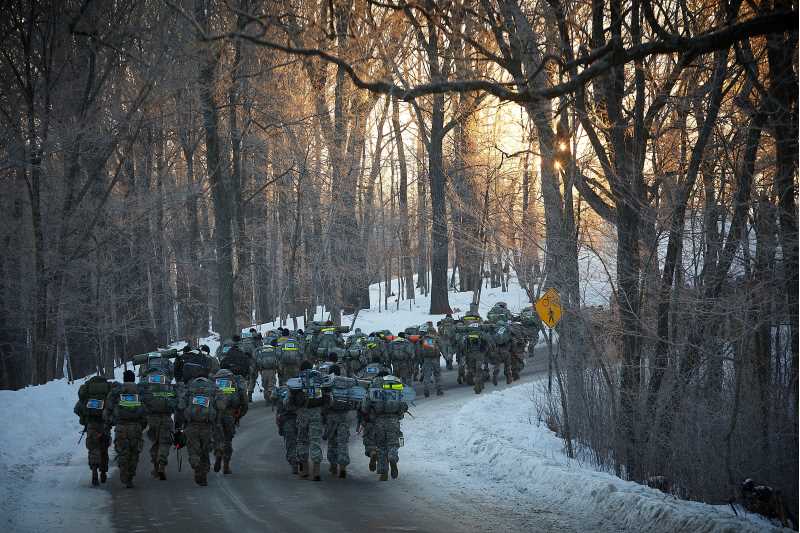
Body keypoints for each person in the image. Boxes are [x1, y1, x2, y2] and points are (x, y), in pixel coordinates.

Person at [360, 372, 408, 481]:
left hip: (379, 421)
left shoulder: (374, 389)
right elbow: (403, 405)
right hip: (394, 420)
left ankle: (384, 473)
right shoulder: (396, 388)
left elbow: (364, 407)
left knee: (381, 446)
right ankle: (392, 457)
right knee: (394, 443)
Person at [104, 369, 147, 488]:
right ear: (134, 379)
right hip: (136, 426)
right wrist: (143, 424)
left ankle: (123, 473)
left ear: (124, 379)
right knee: (134, 452)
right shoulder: (140, 391)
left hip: (121, 426)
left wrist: (110, 421)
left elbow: (109, 407)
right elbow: (146, 408)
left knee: (123, 451)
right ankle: (130, 476)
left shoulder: (117, 391)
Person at [176, 374, 219, 486]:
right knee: (205, 451)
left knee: (194, 450)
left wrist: (179, 424)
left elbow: (180, 406)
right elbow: (219, 406)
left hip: (191, 425)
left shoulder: (189, 389)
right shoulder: (213, 389)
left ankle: (197, 468)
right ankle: (203, 473)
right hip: (207, 426)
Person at [74, 374, 113, 486]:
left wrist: (85, 418)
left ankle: (94, 470)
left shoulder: (87, 394)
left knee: (93, 447)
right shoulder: (107, 390)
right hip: (104, 424)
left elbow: (77, 409)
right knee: (104, 448)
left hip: (91, 424)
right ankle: (103, 471)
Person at [140, 366, 177, 480]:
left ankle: (155, 467)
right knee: (165, 442)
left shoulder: (145, 381)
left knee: (155, 442)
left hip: (152, 418)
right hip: (166, 417)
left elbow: (140, 398)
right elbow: (174, 397)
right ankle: (162, 463)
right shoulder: (166, 380)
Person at [211, 367, 248, 474]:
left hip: (217, 413)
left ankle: (218, 453)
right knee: (228, 439)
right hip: (230, 414)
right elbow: (244, 401)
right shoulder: (235, 381)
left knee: (218, 437)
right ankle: (226, 466)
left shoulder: (215, 380)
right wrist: (240, 415)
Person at [295, 360, 326, 481]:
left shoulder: (297, 378)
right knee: (315, 441)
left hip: (302, 414)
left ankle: (304, 470)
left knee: (302, 441)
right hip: (316, 413)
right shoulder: (319, 377)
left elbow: (288, 400)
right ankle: (316, 471)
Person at [323, 364, 353, 478]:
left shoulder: (327, 382)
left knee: (332, 442)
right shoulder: (346, 383)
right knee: (343, 442)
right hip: (344, 417)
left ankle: (333, 465)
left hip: (331, 417)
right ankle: (343, 468)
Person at [272, 383, 303, 474]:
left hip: (286, 420)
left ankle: (294, 463)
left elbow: (273, 399)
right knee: (302, 441)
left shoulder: (280, 391)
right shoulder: (302, 387)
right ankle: (302, 463)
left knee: (290, 442)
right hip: (301, 418)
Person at [420, 331, 443, 397]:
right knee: (437, 375)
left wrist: (421, 360)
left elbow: (420, 350)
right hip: (435, 359)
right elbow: (441, 347)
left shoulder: (423, 339)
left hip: (427, 359)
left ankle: (426, 391)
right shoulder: (436, 338)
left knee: (427, 376)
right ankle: (439, 390)